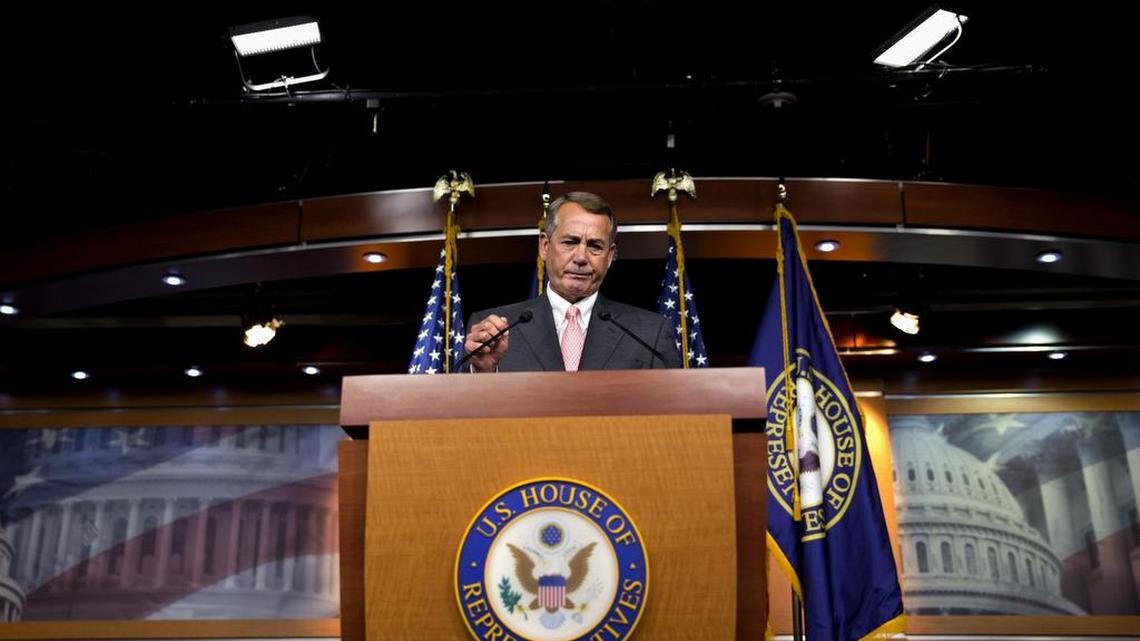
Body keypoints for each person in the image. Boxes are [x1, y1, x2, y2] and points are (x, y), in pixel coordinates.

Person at [465, 191, 681, 372]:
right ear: (545, 246)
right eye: (570, 242)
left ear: (609, 256)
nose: (580, 257)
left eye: (595, 246)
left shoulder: (650, 334)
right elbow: (466, 415)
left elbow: (673, 413)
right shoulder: (493, 332)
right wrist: (485, 371)